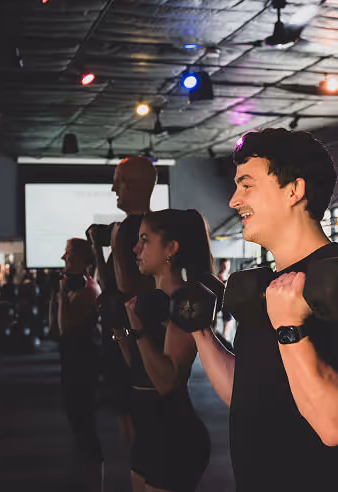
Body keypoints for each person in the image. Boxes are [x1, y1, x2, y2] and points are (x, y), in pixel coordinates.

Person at [189, 129, 338, 491]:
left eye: (246, 185)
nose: (234, 200)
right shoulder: (267, 286)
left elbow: (336, 426)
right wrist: (200, 330)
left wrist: (290, 329)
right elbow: (245, 389)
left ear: (293, 191)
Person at [118, 209, 212, 492]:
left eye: (145, 240)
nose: (136, 248)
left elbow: (166, 382)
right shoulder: (149, 301)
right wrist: (121, 332)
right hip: (147, 434)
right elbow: (139, 368)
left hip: (174, 437)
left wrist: (139, 328)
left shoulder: (184, 303)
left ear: (171, 248)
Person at [87, 156, 158, 448]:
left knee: (142, 414)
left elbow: (128, 286)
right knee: (126, 413)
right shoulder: (129, 228)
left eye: (119, 181)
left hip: (136, 337)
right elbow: (110, 285)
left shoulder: (144, 230)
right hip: (122, 335)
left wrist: (113, 241)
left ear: (133, 184)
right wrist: (96, 247)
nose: (114, 189)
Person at [51, 238, 104, 491]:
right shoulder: (76, 289)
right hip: (72, 363)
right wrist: (58, 295)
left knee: (84, 424)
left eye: (69, 254)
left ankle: (94, 482)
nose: (64, 258)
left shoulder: (89, 290)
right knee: (77, 422)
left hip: (83, 366)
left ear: (84, 260)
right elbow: (53, 326)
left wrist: (62, 295)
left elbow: (65, 327)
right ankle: (87, 478)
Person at [215, 258, 235, 343]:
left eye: (227, 265)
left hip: (227, 301)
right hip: (219, 300)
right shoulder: (219, 276)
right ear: (221, 266)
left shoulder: (229, 276)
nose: (226, 267)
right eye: (224, 265)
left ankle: (225, 334)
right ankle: (222, 335)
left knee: (228, 315)